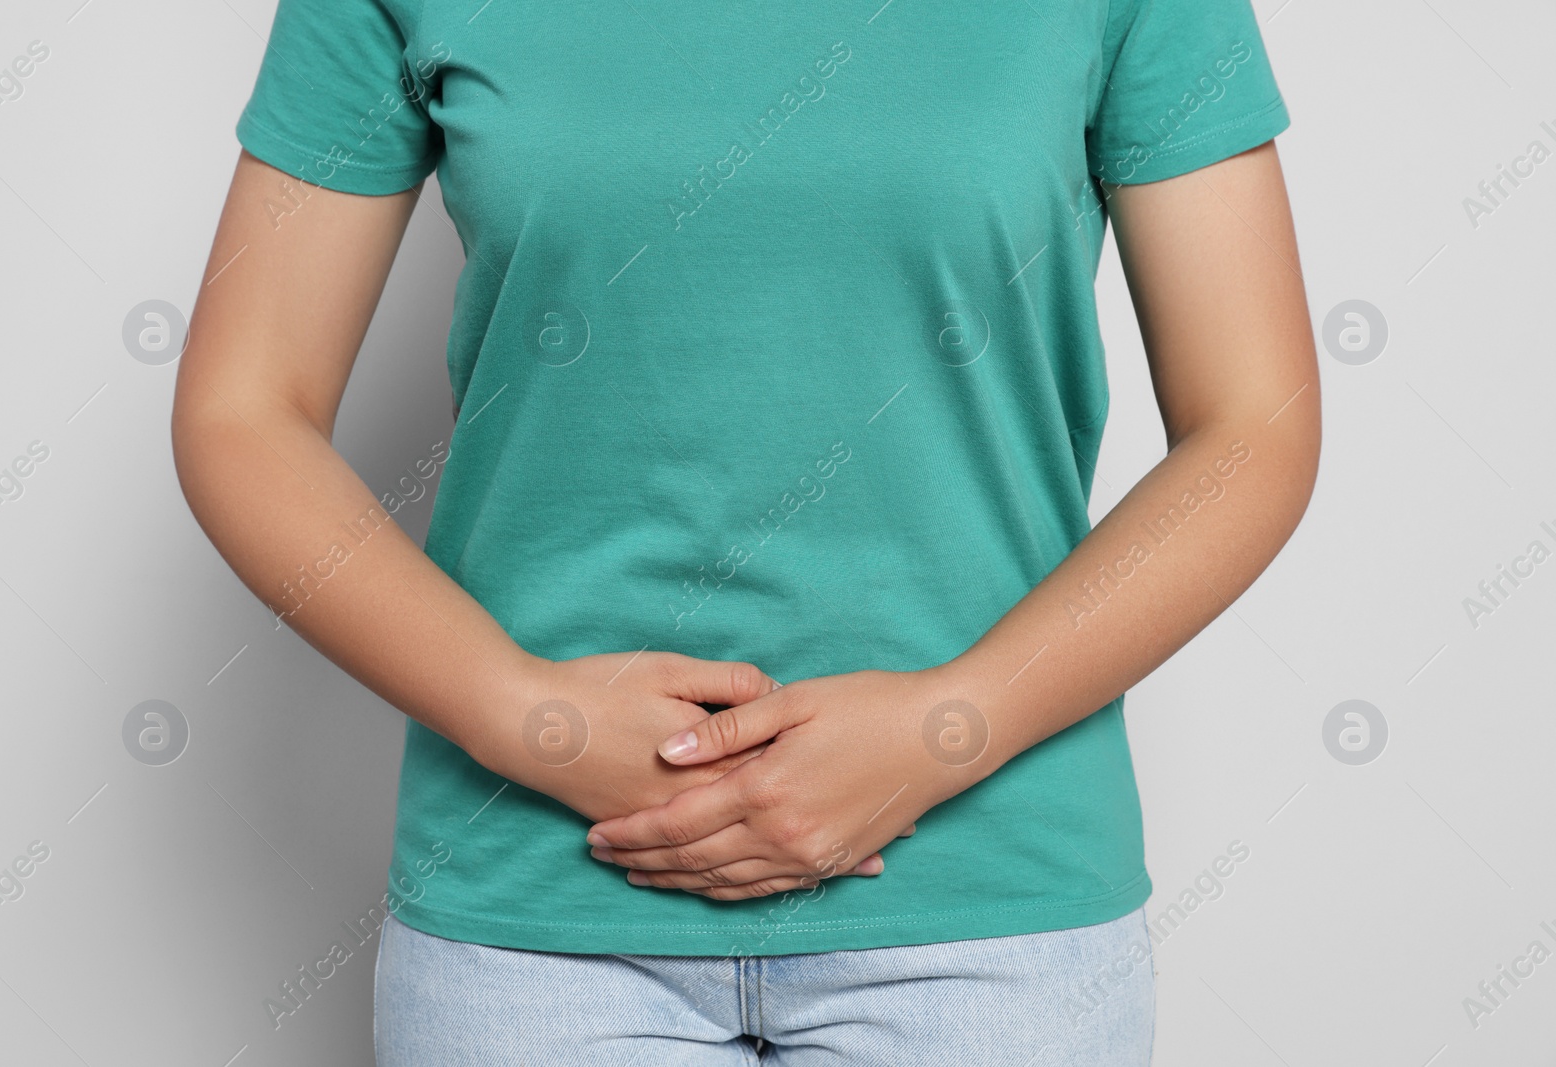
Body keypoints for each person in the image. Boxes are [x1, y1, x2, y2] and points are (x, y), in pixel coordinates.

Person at [172, 0, 1320, 1062]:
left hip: (988, 914)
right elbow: (244, 413)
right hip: (540, 917)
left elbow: (1250, 428)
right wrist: (528, 716)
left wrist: (950, 725)